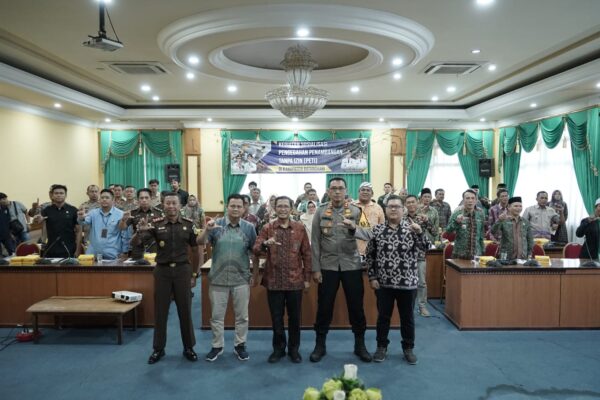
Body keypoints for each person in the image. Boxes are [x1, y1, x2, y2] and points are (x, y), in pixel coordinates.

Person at [133, 192, 201, 364]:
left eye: (174, 203)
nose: (171, 206)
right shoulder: (155, 225)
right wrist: (139, 232)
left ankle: (189, 347)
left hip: (182, 271)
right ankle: (158, 349)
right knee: (160, 312)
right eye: (168, 203)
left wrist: (194, 274)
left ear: (180, 206)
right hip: (162, 272)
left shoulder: (188, 225)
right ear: (163, 205)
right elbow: (136, 244)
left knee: (185, 311)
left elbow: (196, 250)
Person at [309, 177, 372, 363]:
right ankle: (320, 345)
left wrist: (354, 228)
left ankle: (360, 345)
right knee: (324, 307)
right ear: (328, 191)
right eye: (334, 188)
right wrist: (315, 269)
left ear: (346, 191)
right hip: (327, 266)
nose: (337, 192)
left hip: (351, 265)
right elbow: (315, 242)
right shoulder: (320, 212)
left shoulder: (356, 211)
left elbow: (369, 234)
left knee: (356, 307)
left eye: (340, 188)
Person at [363, 195, 430, 364]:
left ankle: (408, 348)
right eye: (390, 206)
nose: (393, 209)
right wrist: (372, 277)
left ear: (403, 209)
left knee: (407, 318)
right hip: (383, 283)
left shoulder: (412, 228)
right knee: (383, 318)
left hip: (407, 283)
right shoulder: (377, 230)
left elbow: (425, 248)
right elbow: (370, 255)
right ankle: (381, 347)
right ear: (385, 210)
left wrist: (420, 232)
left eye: (397, 206)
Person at [252, 196, 311, 363]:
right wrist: (265, 244)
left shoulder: (300, 228)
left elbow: (307, 254)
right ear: (275, 208)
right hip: (274, 281)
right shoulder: (267, 228)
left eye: (286, 206)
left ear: (291, 208)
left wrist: (307, 278)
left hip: (295, 281)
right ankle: (278, 349)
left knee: (295, 318)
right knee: (276, 318)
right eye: (279, 206)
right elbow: (255, 249)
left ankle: (294, 349)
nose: (283, 209)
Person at [200, 194, 257, 362]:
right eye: (233, 206)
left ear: (244, 208)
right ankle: (217, 346)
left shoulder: (249, 228)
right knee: (217, 316)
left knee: (242, 316)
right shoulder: (215, 225)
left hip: (241, 278)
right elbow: (199, 242)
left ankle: (240, 345)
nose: (236, 209)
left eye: (239, 206)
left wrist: (255, 274)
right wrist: (207, 229)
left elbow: (255, 252)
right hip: (218, 278)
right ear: (227, 206)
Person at [405, 194, 435, 317]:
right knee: (405, 283)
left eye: (413, 202)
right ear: (405, 204)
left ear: (417, 202)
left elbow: (434, 232)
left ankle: (422, 306)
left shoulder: (423, 217)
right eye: (408, 202)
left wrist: (427, 222)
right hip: (404, 256)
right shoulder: (401, 218)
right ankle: (408, 308)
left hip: (420, 254)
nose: (411, 204)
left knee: (421, 282)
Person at [78, 189, 127, 260]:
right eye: (102, 197)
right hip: (93, 254)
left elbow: (124, 234)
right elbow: (83, 222)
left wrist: (125, 251)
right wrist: (81, 218)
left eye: (107, 198)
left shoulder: (120, 214)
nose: (104, 199)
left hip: (112, 254)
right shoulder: (93, 213)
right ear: (99, 200)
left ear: (113, 200)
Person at [33, 184, 80, 258]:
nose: (59, 195)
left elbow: (78, 231)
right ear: (52, 195)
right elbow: (38, 222)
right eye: (56, 193)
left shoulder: (73, 210)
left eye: (61, 193)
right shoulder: (47, 210)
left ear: (66, 195)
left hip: (69, 248)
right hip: (51, 248)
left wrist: (78, 250)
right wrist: (36, 219)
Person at [119, 188, 163, 259]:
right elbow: (122, 228)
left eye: (146, 198)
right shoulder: (133, 213)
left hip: (154, 248)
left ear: (151, 198)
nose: (144, 200)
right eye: (141, 198)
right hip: (137, 248)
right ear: (138, 199)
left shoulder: (159, 213)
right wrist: (123, 220)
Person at [446, 190, 485, 259]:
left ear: (476, 200)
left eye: (473, 198)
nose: (470, 201)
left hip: (476, 254)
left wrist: (483, 250)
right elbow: (448, 231)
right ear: (463, 200)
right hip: (460, 254)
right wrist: (456, 222)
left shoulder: (480, 213)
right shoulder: (457, 212)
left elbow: (481, 235)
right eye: (467, 198)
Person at [352, 182, 385, 258]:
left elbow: (382, 228)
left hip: (372, 250)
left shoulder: (378, 208)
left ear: (372, 194)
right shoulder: (351, 206)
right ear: (358, 192)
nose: (365, 192)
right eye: (363, 190)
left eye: (368, 190)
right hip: (353, 250)